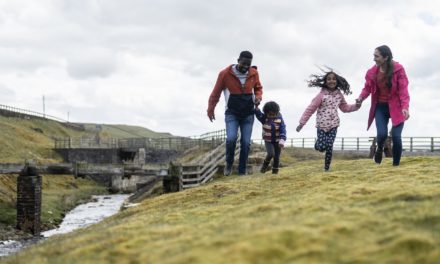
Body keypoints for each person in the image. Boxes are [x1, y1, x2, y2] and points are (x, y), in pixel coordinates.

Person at [207, 51, 263, 176]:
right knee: (231, 139)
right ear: (238, 60)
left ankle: (241, 172)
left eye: (248, 65)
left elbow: (258, 88)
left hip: (248, 113)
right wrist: (210, 109)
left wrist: (258, 97)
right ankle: (229, 163)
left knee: (246, 142)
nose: (245, 67)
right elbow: (215, 93)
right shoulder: (225, 74)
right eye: (243, 64)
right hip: (232, 113)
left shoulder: (254, 73)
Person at [355, 45, 410, 166]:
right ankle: (379, 149)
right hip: (381, 107)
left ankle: (396, 165)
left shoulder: (398, 69)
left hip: (397, 107)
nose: (374, 59)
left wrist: (405, 107)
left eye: (376, 56)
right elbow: (367, 88)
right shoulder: (372, 72)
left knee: (396, 136)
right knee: (382, 134)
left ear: (385, 57)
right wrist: (360, 98)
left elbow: (403, 90)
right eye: (373, 56)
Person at [296, 69, 359, 171]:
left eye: (334, 79)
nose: (331, 81)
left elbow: (345, 108)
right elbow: (310, 109)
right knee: (321, 147)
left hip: (334, 125)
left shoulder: (339, 95)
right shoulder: (321, 95)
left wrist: (357, 106)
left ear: (337, 81)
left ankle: (326, 168)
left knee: (329, 146)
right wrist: (301, 123)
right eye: (329, 79)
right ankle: (317, 145)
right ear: (325, 82)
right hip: (321, 125)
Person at [255, 101, 286, 174]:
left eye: (273, 114)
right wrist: (256, 108)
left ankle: (275, 172)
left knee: (276, 157)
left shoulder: (280, 119)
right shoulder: (264, 118)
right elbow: (258, 114)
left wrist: (282, 139)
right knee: (271, 154)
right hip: (268, 140)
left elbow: (283, 129)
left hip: (278, 140)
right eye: (269, 114)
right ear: (266, 113)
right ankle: (264, 166)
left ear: (277, 112)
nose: (271, 116)